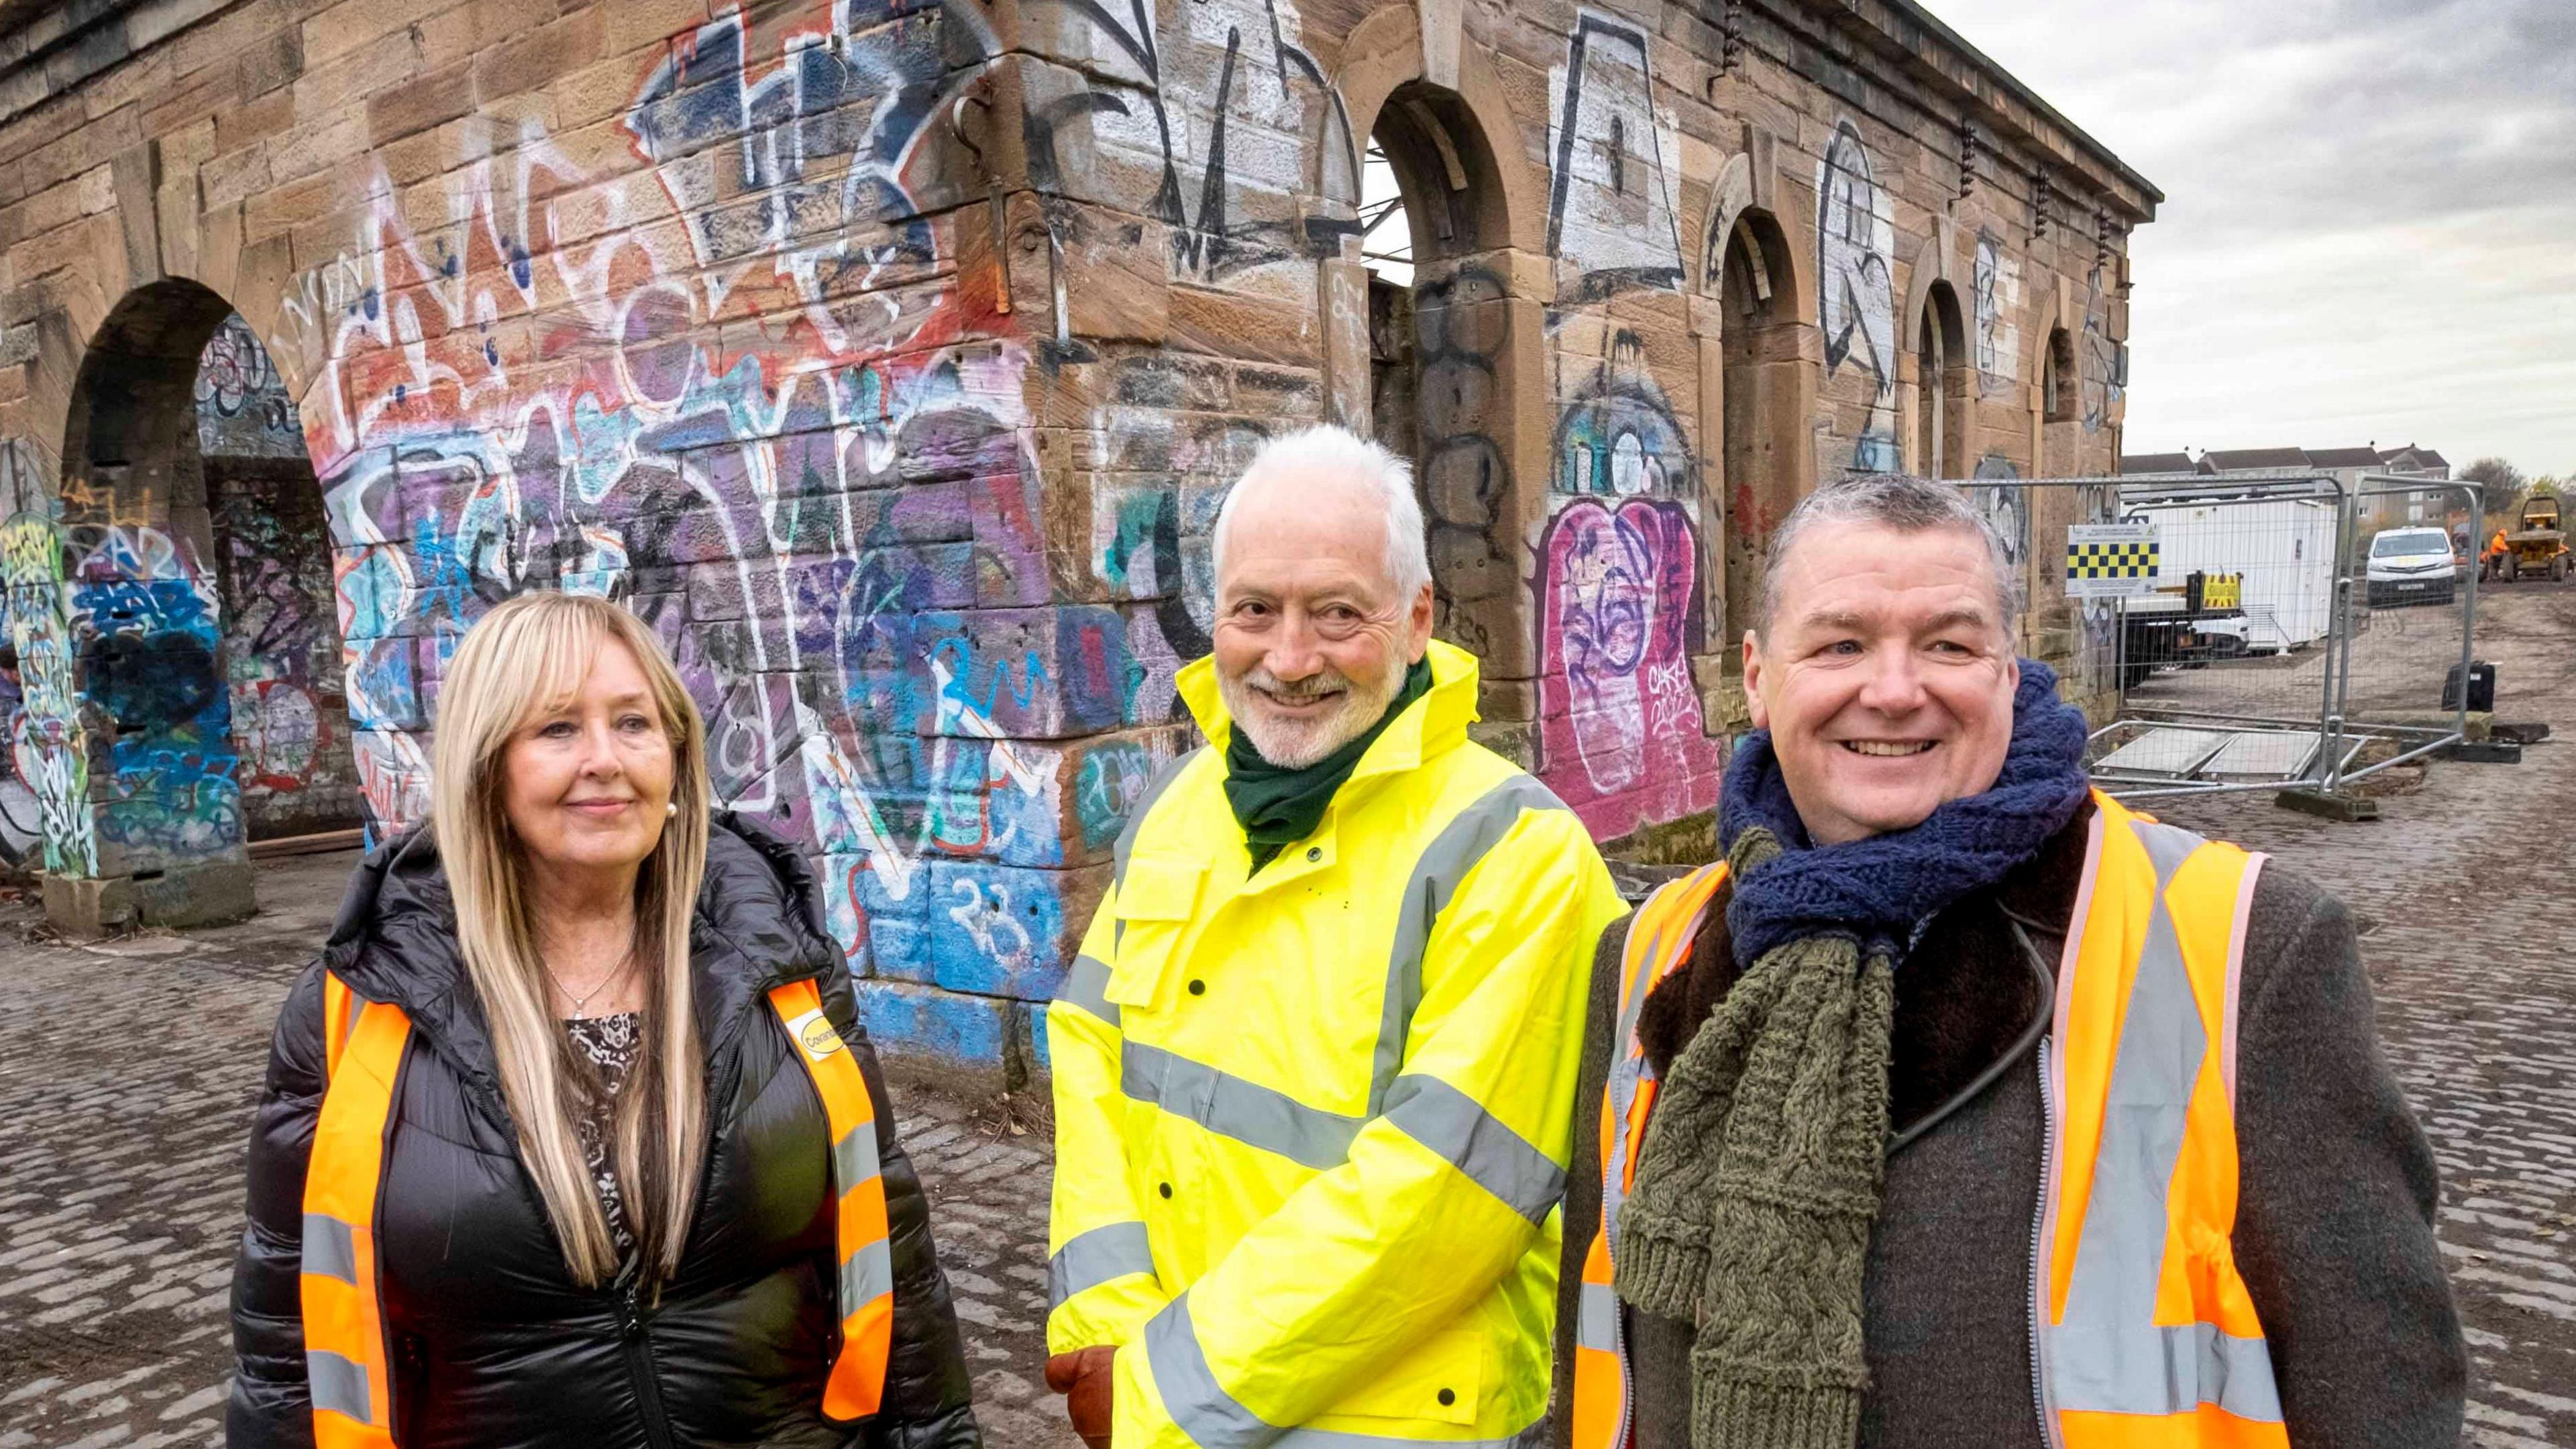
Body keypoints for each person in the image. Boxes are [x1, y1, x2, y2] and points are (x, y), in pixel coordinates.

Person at [1555, 474, 2463, 1449]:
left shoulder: (2243, 944)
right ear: (1757, 675)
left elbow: (2380, 1388)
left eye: (1948, 644)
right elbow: (1594, 1327)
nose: (1896, 691)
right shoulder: (1654, 949)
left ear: (2006, 669)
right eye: (1840, 643)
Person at [226, 592, 982, 1448]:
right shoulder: (359, 1008)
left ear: (676, 752)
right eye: (556, 729)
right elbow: (289, 1338)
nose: (605, 760)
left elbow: (891, 1243)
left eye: (634, 723)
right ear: (486, 766)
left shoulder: (781, 965)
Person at [1044, 425, 1627, 1448]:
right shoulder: (1182, 805)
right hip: (1159, 1385)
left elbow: (1438, 1205)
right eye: (1255, 611)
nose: (1289, 657)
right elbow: (1093, 1050)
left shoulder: (1518, 854)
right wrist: (1109, 1328)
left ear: (1416, 621)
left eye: (1337, 614)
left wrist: (1160, 1393)